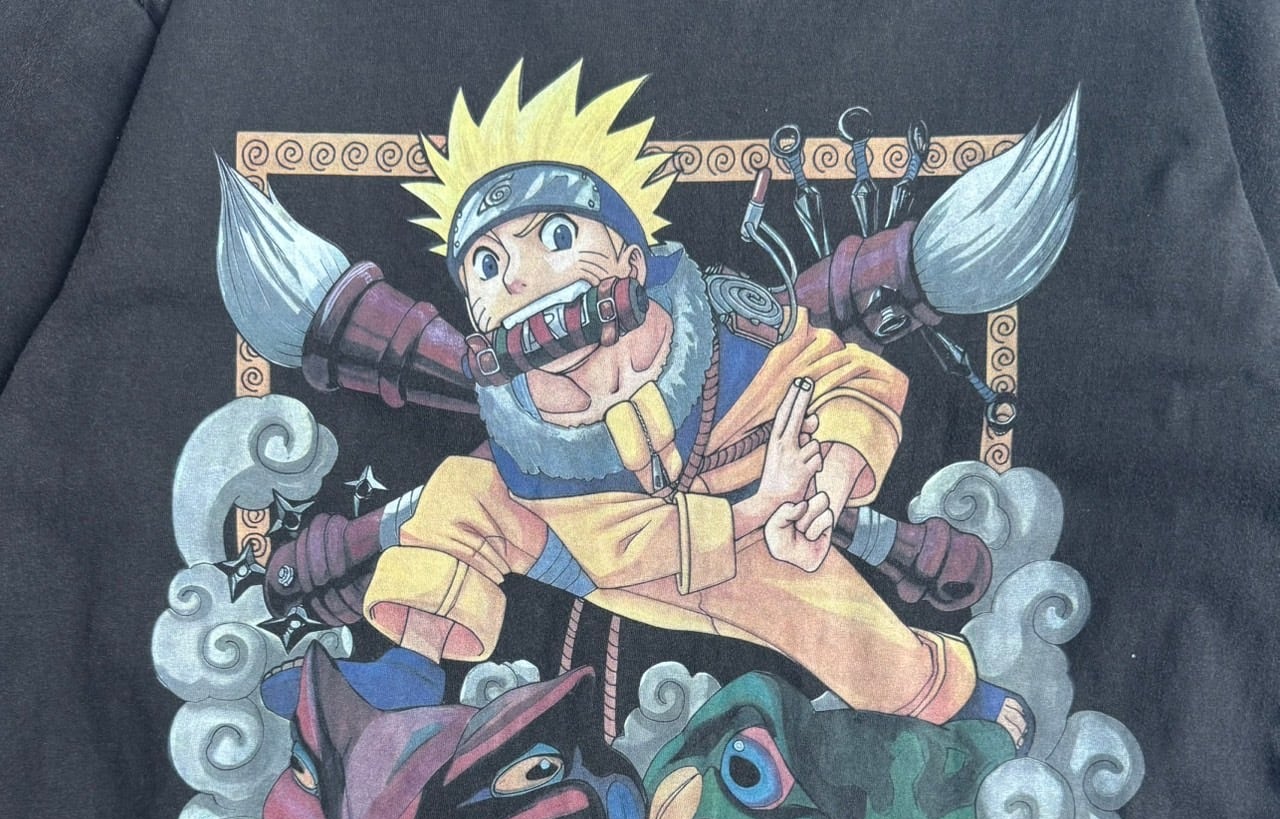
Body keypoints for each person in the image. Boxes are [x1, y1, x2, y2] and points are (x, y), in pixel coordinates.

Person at [222, 62, 1028, 746]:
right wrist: (757, 509)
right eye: (487, 265)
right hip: (616, 553)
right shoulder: (526, 436)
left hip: (759, 547)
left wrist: (826, 484)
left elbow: (851, 380)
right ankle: (405, 672)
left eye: (556, 238)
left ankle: (953, 698)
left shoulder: (732, 326)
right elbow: (623, 551)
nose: (518, 275)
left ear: (632, 261)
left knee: (853, 638)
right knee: (462, 494)